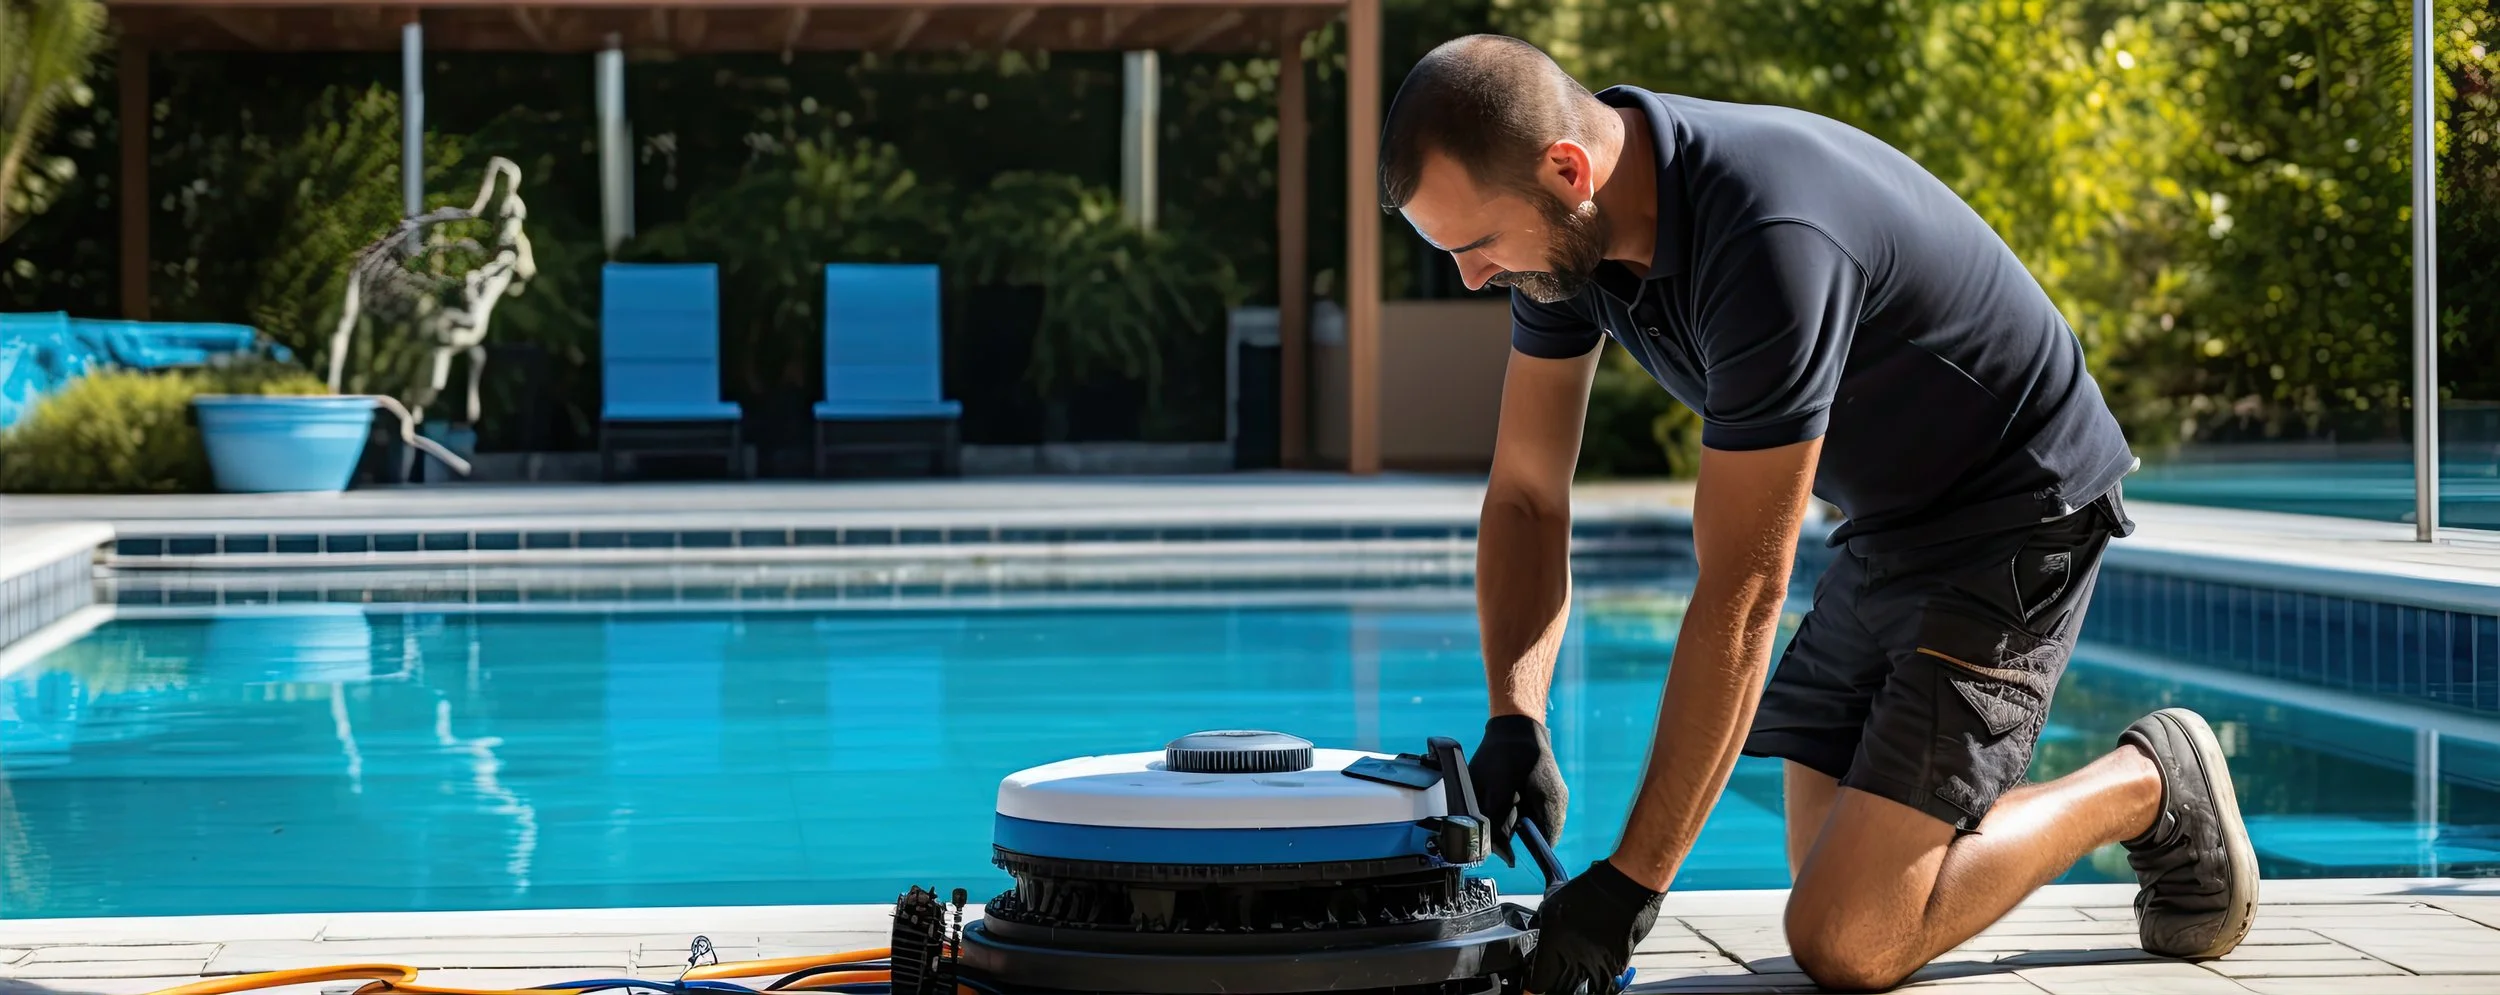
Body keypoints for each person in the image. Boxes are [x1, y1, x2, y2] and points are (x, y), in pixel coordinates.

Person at [1377, 35, 2259, 994]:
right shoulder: (1568, 246)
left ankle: (2149, 779)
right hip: (1891, 521)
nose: (1473, 278)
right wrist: (1517, 713)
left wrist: (1631, 886)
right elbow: (1525, 494)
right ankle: (1949, 835)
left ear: (1566, 168)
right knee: (1830, 873)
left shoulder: (1764, 239)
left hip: (2018, 512)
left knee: (1851, 939)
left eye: (1475, 245)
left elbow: (1746, 594)